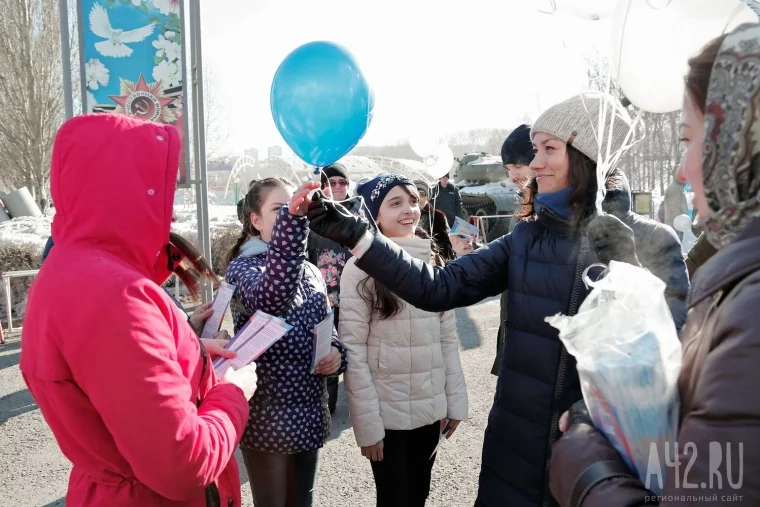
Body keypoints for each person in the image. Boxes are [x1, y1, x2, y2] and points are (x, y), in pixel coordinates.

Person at [306, 92, 689, 507]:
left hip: (596, 463)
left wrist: (632, 277)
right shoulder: (525, 238)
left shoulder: (653, 242)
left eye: (549, 149)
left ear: (588, 154)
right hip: (515, 453)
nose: (535, 163)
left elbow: (670, 368)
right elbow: (438, 288)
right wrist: (359, 236)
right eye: (535, 150)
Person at [548, 25, 760, 506]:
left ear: (740, 143)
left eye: (689, 139)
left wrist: (582, 462)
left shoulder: (752, 310)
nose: (682, 171)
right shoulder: (738, 272)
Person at [20, 114, 258, 506]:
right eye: (158, 191)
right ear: (125, 190)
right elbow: (184, 466)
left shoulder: (69, 270)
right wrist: (233, 393)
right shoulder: (115, 296)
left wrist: (194, 353)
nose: (172, 213)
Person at [339, 174, 468, 507]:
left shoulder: (433, 261)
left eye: (412, 201)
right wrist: (368, 427)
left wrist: (454, 403)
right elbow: (353, 351)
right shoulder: (359, 269)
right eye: (395, 203)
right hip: (388, 417)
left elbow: (447, 340)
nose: (409, 210)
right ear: (374, 216)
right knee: (394, 500)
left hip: (430, 411)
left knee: (418, 497)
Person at [225, 177, 348, 507]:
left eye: (295, 209)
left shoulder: (310, 269)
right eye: (279, 209)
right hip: (268, 418)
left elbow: (327, 327)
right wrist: (293, 229)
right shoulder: (244, 267)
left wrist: (336, 354)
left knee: (301, 503)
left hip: (309, 411)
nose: (289, 216)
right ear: (255, 220)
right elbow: (272, 298)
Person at [306, 163, 361, 414]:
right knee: (327, 347)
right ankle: (328, 403)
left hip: (355, 294)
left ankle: (360, 399)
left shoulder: (359, 213)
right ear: (324, 186)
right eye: (332, 183)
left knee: (356, 347)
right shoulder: (314, 215)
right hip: (323, 297)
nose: (338, 187)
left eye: (343, 182)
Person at [491, 124, 537, 376]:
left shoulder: (548, 211)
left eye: (517, 166)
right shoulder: (525, 205)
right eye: (508, 169)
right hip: (514, 323)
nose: (512, 176)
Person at [415, 179, 455, 263]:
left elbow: (447, 246)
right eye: (414, 194)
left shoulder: (438, 216)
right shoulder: (405, 215)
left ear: (428, 196)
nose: (418, 198)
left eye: (422, 194)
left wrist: (433, 251)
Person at [664, 168, 688, 240]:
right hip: (675, 226)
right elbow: (674, 210)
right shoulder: (674, 189)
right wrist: (680, 224)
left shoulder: (679, 188)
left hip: (677, 225)